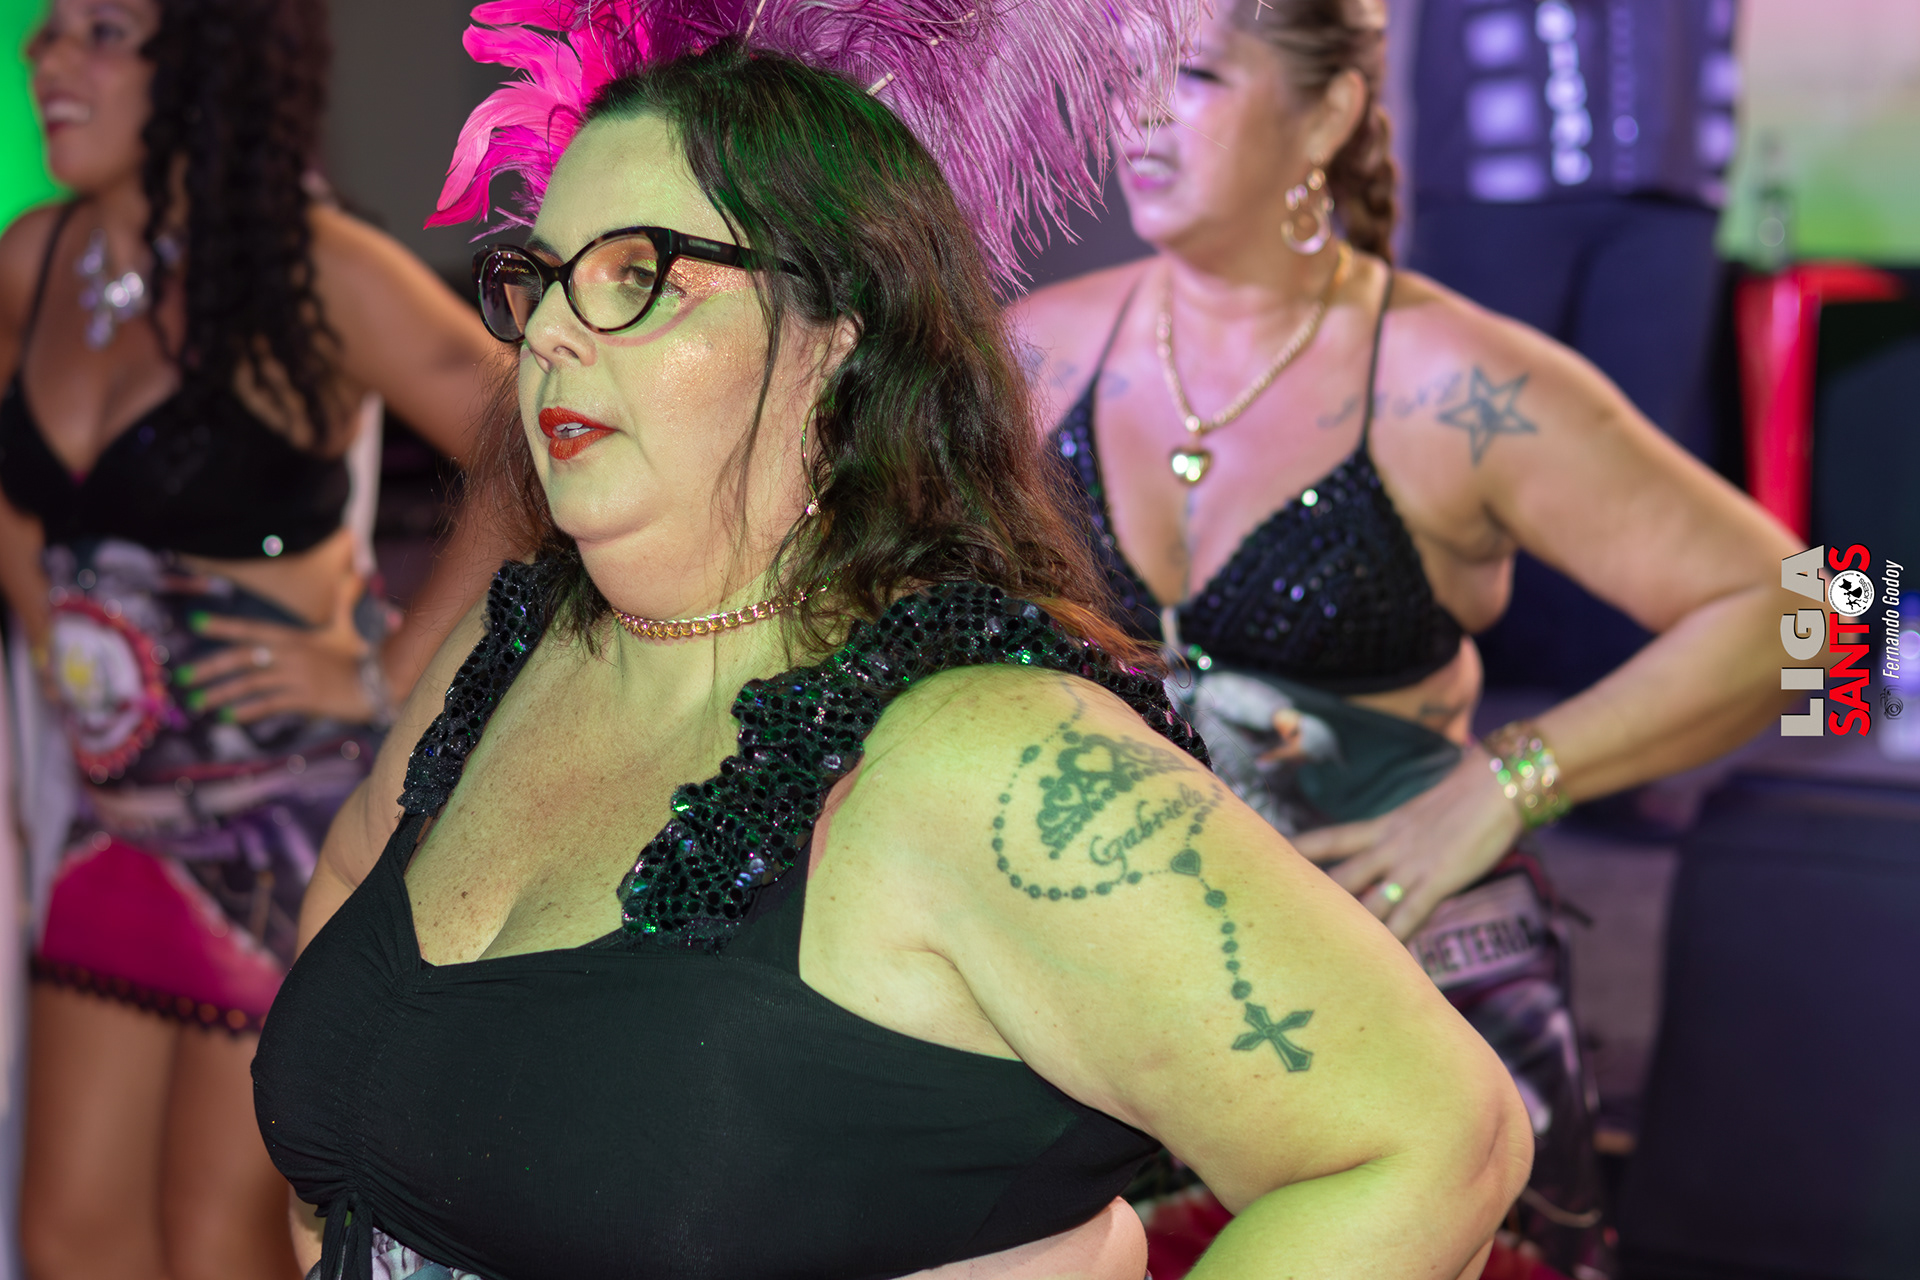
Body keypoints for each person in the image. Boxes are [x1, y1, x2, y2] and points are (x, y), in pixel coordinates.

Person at [250, 4, 1534, 1278]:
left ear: (835, 337)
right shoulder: (512, 647)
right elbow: (346, 999)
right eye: (536, 278)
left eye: (641, 274)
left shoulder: (979, 754)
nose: (547, 332)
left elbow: (1430, 1140)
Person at [1011, 0, 1794, 1273]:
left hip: (1407, 1034)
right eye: (1127, 76)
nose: (1139, 116)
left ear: (1325, 112)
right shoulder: (1035, 352)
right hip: (1122, 1020)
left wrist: (1511, 779)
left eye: (1194, 76)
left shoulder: (1451, 382)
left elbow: (1828, 618)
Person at [0, 0, 504, 1275]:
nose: (48, 58)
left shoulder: (313, 269)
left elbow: (528, 444)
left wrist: (387, 669)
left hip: (283, 833)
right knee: (66, 1238)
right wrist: (58, 637)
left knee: (220, 1241)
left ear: (209, 55)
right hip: (110, 823)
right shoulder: (36, 259)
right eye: (49, 29)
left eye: (102, 30)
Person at [1406, 0, 1741, 695]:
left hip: (1671, 157)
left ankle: (1625, 718)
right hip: (1497, 153)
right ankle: (1425, 712)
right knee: (1457, 453)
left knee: (1646, 458)